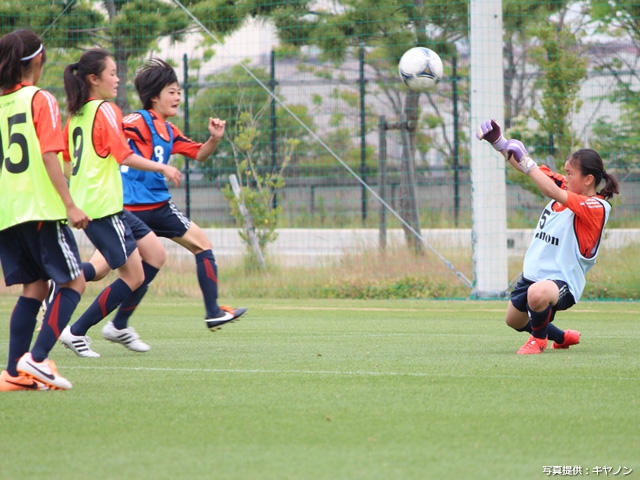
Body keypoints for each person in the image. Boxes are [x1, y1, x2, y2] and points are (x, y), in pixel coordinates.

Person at [57, 48, 182, 358]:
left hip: (103, 206)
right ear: (93, 79)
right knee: (133, 275)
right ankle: (76, 331)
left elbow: (65, 161)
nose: (118, 78)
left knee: (154, 253)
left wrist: (71, 201)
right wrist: (162, 166)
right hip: (102, 207)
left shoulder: (77, 114)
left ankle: (115, 322)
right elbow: (122, 154)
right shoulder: (106, 110)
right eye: (112, 74)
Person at [119, 58, 246, 330]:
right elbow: (116, 132)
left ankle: (212, 311)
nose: (178, 97)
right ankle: (65, 287)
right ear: (154, 97)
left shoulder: (168, 130)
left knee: (201, 245)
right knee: (103, 270)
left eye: (179, 91)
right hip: (130, 209)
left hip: (159, 207)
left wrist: (214, 139)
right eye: (172, 92)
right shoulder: (139, 120)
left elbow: (199, 154)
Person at [476, 119, 619, 355]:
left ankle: (538, 340)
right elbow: (527, 168)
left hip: (562, 282)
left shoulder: (597, 206)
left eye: (570, 173)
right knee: (513, 320)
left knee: (538, 295)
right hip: (535, 274)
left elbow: (548, 188)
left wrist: (527, 160)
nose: (566, 176)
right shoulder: (567, 186)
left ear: (588, 180)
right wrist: (498, 142)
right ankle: (561, 337)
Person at [0, 30, 89, 391]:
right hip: (39, 208)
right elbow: (49, 153)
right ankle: (36, 360)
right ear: (39, 59)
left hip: (8, 212)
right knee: (74, 281)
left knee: (34, 287)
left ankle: (13, 374)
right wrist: (69, 203)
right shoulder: (40, 99)